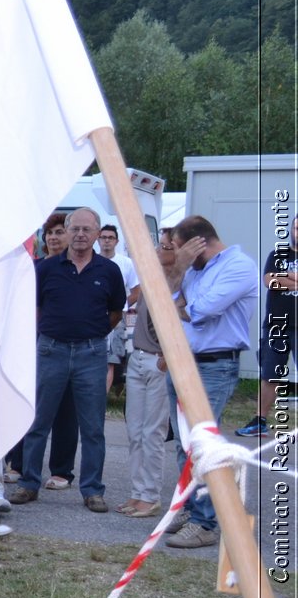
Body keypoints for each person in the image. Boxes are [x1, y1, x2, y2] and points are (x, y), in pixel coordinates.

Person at [7, 207, 125, 512]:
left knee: (93, 427)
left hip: (91, 353)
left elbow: (114, 313)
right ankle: (28, 483)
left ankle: (92, 490)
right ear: (67, 232)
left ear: (99, 234)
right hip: (51, 351)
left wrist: (92, 335)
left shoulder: (109, 272)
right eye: (76, 229)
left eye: (88, 229)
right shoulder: (46, 269)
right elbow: (32, 308)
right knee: (37, 421)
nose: (81, 235)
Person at [163, 216, 260, 549]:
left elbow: (200, 310)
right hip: (182, 362)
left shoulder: (239, 267)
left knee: (202, 445)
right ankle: (192, 508)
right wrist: (179, 273)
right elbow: (167, 299)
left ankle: (207, 523)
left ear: (198, 243)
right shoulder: (192, 268)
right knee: (184, 444)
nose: (174, 255)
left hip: (213, 366)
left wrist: (180, 301)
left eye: (177, 248)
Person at [117, 233, 178, 518]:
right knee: (135, 431)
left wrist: (167, 358)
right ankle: (137, 492)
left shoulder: (179, 284)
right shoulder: (149, 281)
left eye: (164, 246)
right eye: (158, 245)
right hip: (138, 358)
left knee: (152, 432)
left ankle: (150, 496)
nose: (158, 250)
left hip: (157, 362)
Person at [235, 243, 297, 437]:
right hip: (276, 324)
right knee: (270, 375)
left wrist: (286, 277)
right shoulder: (278, 254)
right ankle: (259, 421)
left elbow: (277, 280)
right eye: (296, 227)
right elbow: (270, 281)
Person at [97, 224, 140, 392]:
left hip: (116, 317)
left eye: (110, 238)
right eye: (104, 237)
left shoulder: (126, 263)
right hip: (94, 315)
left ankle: (103, 399)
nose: (107, 241)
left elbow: (137, 290)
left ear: (116, 241)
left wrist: (120, 304)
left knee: (111, 360)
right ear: (98, 240)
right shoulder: (91, 260)